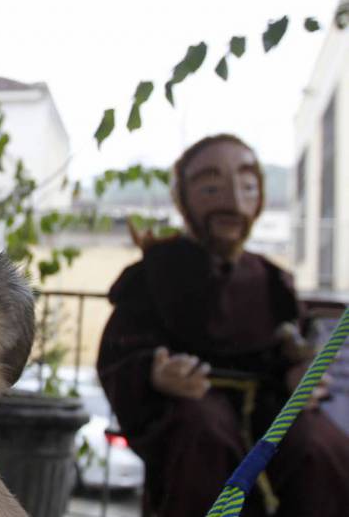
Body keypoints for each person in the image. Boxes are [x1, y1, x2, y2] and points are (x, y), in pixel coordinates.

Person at [97, 133, 349, 517]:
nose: (232, 200)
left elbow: (289, 350)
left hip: (269, 413)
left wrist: (298, 375)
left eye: (246, 186)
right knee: (204, 436)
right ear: (184, 199)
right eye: (212, 187)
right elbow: (121, 351)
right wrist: (155, 372)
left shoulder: (271, 281)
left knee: (321, 446)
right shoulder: (154, 275)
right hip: (193, 417)